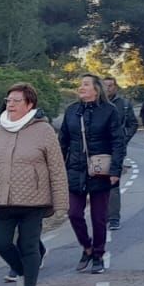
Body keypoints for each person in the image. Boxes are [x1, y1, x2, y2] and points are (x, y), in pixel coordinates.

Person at [0, 83, 62, 286]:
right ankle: (22, 273)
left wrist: (60, 201)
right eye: (8, 100)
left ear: (30, 105)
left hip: (33, 200)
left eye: (17, 101)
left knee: (28, 245)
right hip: (1, 199)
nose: (11, 104)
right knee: (1, 242)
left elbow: (56, 168)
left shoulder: (44, 130)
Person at [59, 73, 123, 274]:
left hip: (100, 171)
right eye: (80, 84)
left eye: (86, 84)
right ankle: (86, 247)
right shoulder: (71, 111)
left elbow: (117, 142)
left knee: (99, 218)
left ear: (96, 89)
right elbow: (63, 142)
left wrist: (115, 170)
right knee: (74, 213)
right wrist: (58, 168)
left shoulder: (109, 112)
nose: (81, 87)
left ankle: (98, 254)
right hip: (75, 170)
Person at [104, 77, 139, 232]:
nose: (108, 89)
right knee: (98, 184)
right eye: (105, 86)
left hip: (117, 150)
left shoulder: (124, 105)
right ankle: (102, 215)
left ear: (116, 87)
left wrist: (124, 139)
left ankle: (113, 218)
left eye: (110, 86)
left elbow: (133, 124)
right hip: (98, 150)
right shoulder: (96, 104)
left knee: (113, 182)